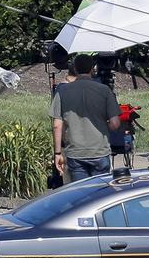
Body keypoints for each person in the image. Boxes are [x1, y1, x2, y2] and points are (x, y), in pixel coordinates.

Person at [50, 54, 122, 182]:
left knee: (81, 194)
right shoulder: (104, 90)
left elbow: (57, 125)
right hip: (100, 150)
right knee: (100, 195)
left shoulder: (62, 91)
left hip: (75, 151)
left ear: (75, 69)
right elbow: (115, 123)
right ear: (92, 68)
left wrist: (57, 153)